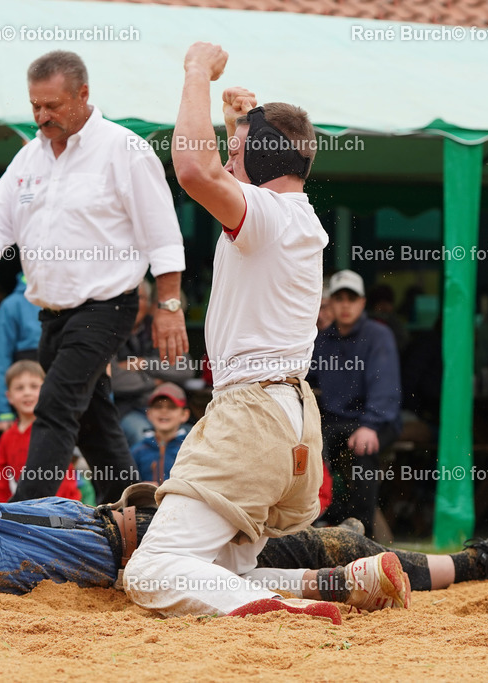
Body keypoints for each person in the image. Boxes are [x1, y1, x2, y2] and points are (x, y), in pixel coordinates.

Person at [0, 431, 488, 617]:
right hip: (150, 540)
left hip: (143, 539)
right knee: (328, 545)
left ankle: (473, 564)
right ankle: (482, 561)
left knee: (322, 560)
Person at [123, 42, 333, 618]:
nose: (229, 157)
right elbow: (237, 165)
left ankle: (282, 616)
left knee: (151, 570)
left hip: (251, 418)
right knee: (219, 572)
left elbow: (194, 169)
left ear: (261, 160)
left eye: (237, 148)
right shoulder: (297, 216)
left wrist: (195, 72)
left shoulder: (267, 215)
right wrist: (240, 117)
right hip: (293, 420)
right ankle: (347, 580)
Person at [0, 50, 188, 504]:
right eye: (35, 105)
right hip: (51, 315)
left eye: (52, 105)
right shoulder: (29, 160)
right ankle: (138, 519)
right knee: (95, 423)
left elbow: (163, 233)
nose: (42, 116)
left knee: (54, 406)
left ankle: (22, 520)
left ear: (83, 94)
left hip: (107, 306)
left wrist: (170, 305)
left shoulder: (125, 149)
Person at [310, 269, 403, 534]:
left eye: (352, 299)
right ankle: (318, 524)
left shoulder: (378, 335)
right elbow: (307, 377)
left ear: (362, 302)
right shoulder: (322, 340)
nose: (346, 305)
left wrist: (370, 424)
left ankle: (361, 532)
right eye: (339, 299)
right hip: (336, 421)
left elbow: (385, 387)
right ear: (331, 303)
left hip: (376, 420)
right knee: (308, 447)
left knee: (363, 452)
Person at [112, 280, 195, 448]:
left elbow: (184, 368)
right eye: (128, 297)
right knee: (144, 437)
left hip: (167, 408)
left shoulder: (160, 328)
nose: (134, 303)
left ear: (149, 302)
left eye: (140, 297)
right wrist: (155, 380)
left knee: (192, 438)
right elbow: (114, 380)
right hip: (129, 410)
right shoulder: (109, 331)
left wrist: (143, 364)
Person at [0, 360, 81, 503]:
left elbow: (63, 478)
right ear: (9, 396)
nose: (27, 393)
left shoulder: (54, 431)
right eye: (19, 388)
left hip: (60, 508)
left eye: (34, 386)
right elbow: (2, 480)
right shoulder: (7, 437)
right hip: (23, 507)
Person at [0, 273, 41, 432]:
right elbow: (0, 360)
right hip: (25, 405)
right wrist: (2, 412)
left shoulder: (72, 299)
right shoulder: (11, 305)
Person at [131, 384, 191, 485]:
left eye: (172, 407)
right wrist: (141, 489)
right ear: (149, 413)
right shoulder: (137, 451)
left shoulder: (191, 449)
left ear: (184, 415)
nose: (164, 411)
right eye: (158, 406)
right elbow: (128, 485)